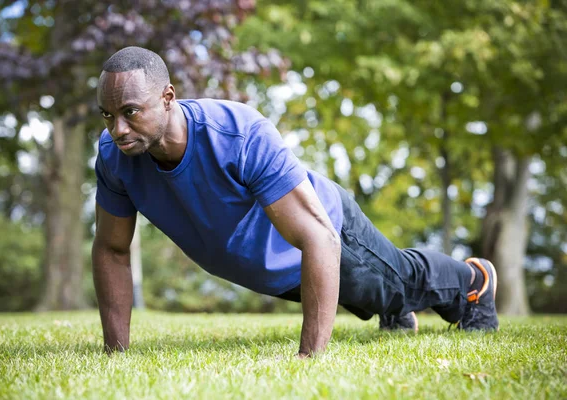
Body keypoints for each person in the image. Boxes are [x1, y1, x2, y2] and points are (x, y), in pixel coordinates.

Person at [92, 46, 499, 357]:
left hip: (328, 232)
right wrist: (116, 353)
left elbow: (319, 238)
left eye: (130, 112)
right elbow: (112, 250)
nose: (118, 129)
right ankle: (394, 312)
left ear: (167, 97)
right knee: (378, 296)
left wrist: (309, 359)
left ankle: (472, 280)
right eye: (107, 116)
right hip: (278, 268)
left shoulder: (237, 134)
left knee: (401, 283)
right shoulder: (115, 157)